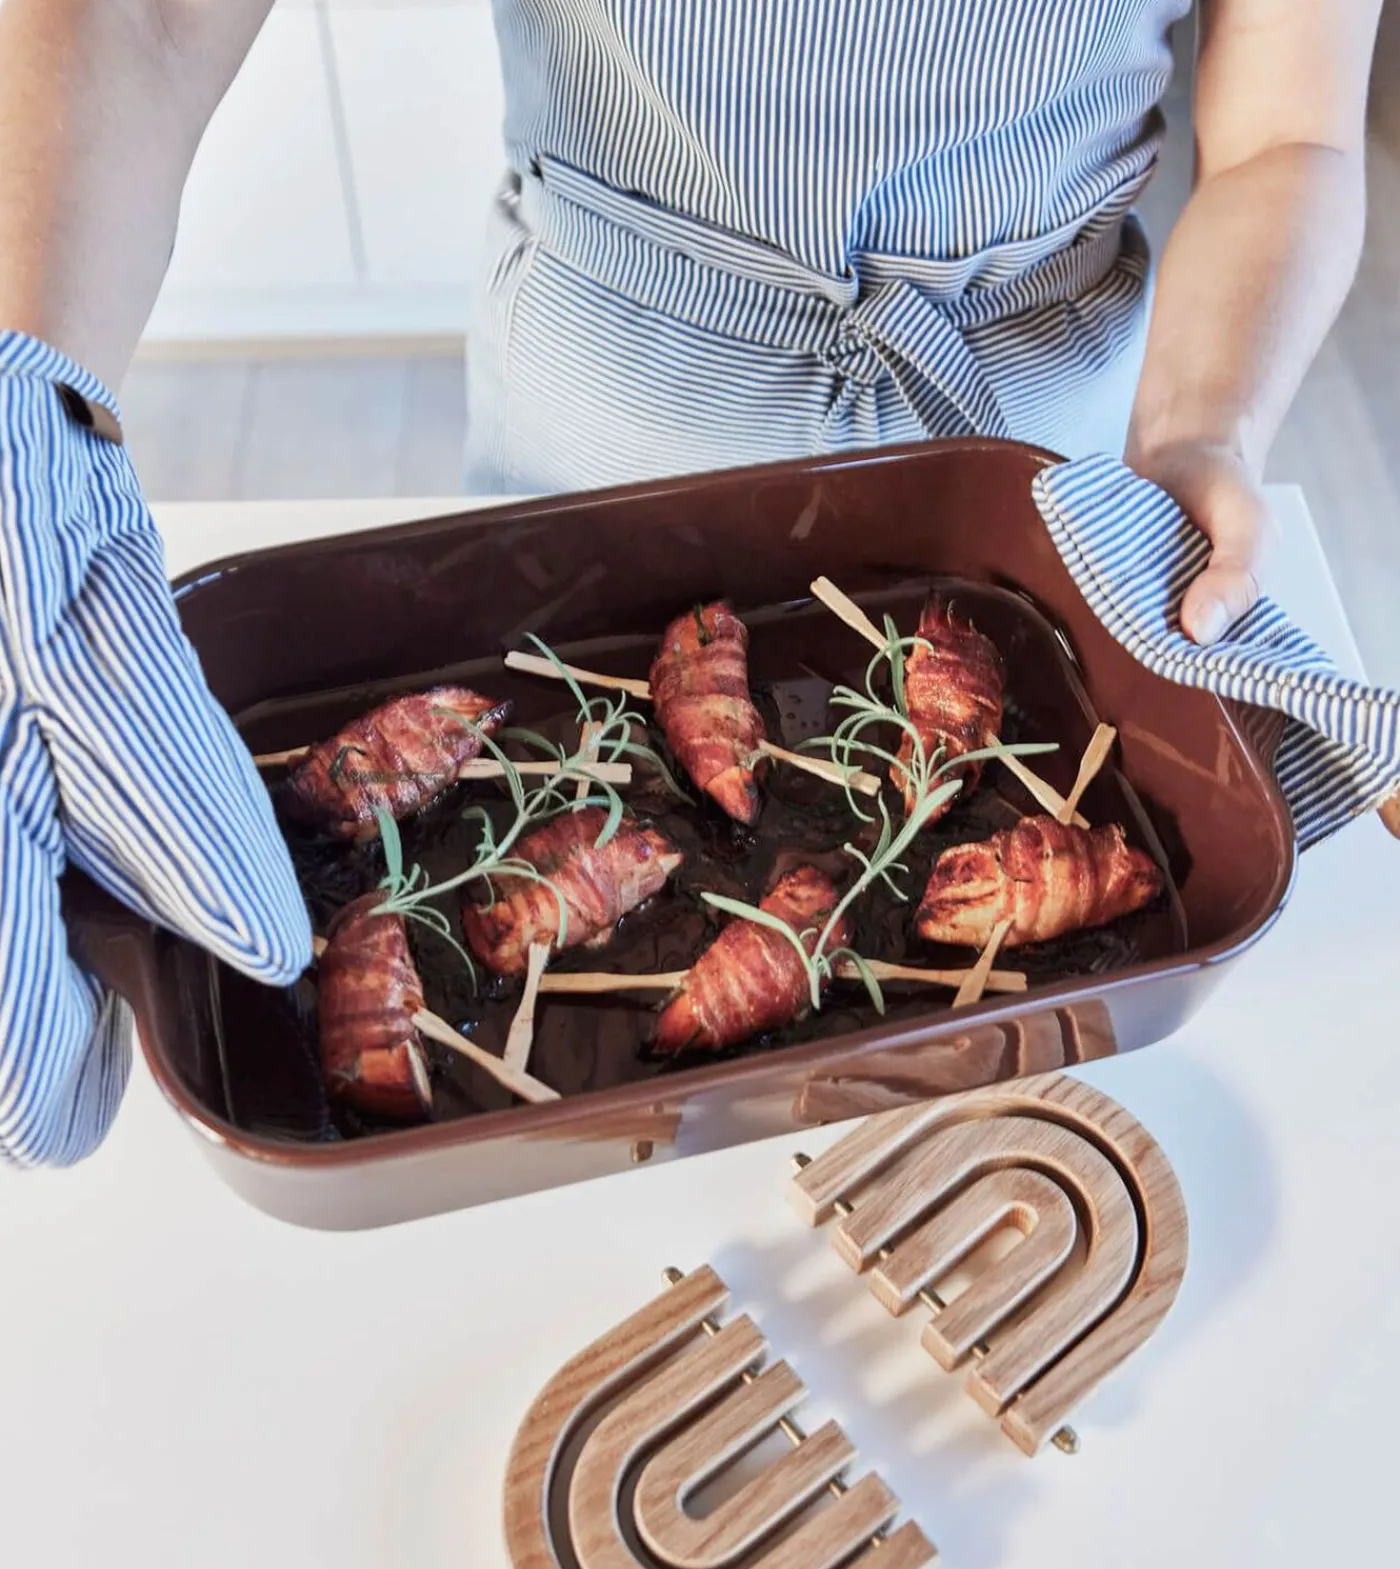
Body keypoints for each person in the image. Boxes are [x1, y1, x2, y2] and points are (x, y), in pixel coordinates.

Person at [0, 0, 1382, 1165]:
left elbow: (1289, 134)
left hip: (1022, 481)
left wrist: (1201, 426)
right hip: (587, 463)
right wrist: (22, 429)